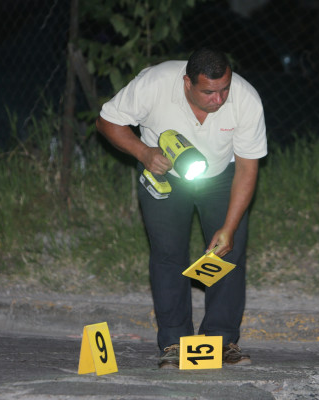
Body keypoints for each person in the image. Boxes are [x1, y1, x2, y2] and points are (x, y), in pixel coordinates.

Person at [95, 48, 267, 368]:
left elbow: (248, 168)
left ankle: (221, 339)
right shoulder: (155, 84)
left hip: (221, 174)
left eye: (224, 89)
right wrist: (144, 153)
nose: (219, 99)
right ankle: (174, 343)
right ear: (187, 83)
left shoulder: (246, 100)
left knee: (227, 250)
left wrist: (229, 227)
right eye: (209, 92)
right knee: (168, 253)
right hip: (164, 173)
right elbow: (107, 122)